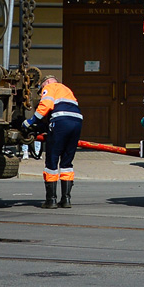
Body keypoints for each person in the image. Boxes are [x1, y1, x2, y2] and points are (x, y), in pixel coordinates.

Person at [19, 77, 83, 209]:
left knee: (52, 161)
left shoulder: (50, 87)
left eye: (41, 89)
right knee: (67, 162)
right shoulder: (67, 89)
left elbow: (46, 106)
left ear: (46, 83)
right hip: (77, 122)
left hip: (60, 122)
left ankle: (51, 200)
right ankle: (66, 200)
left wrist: (30, 122)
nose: (42, 92)